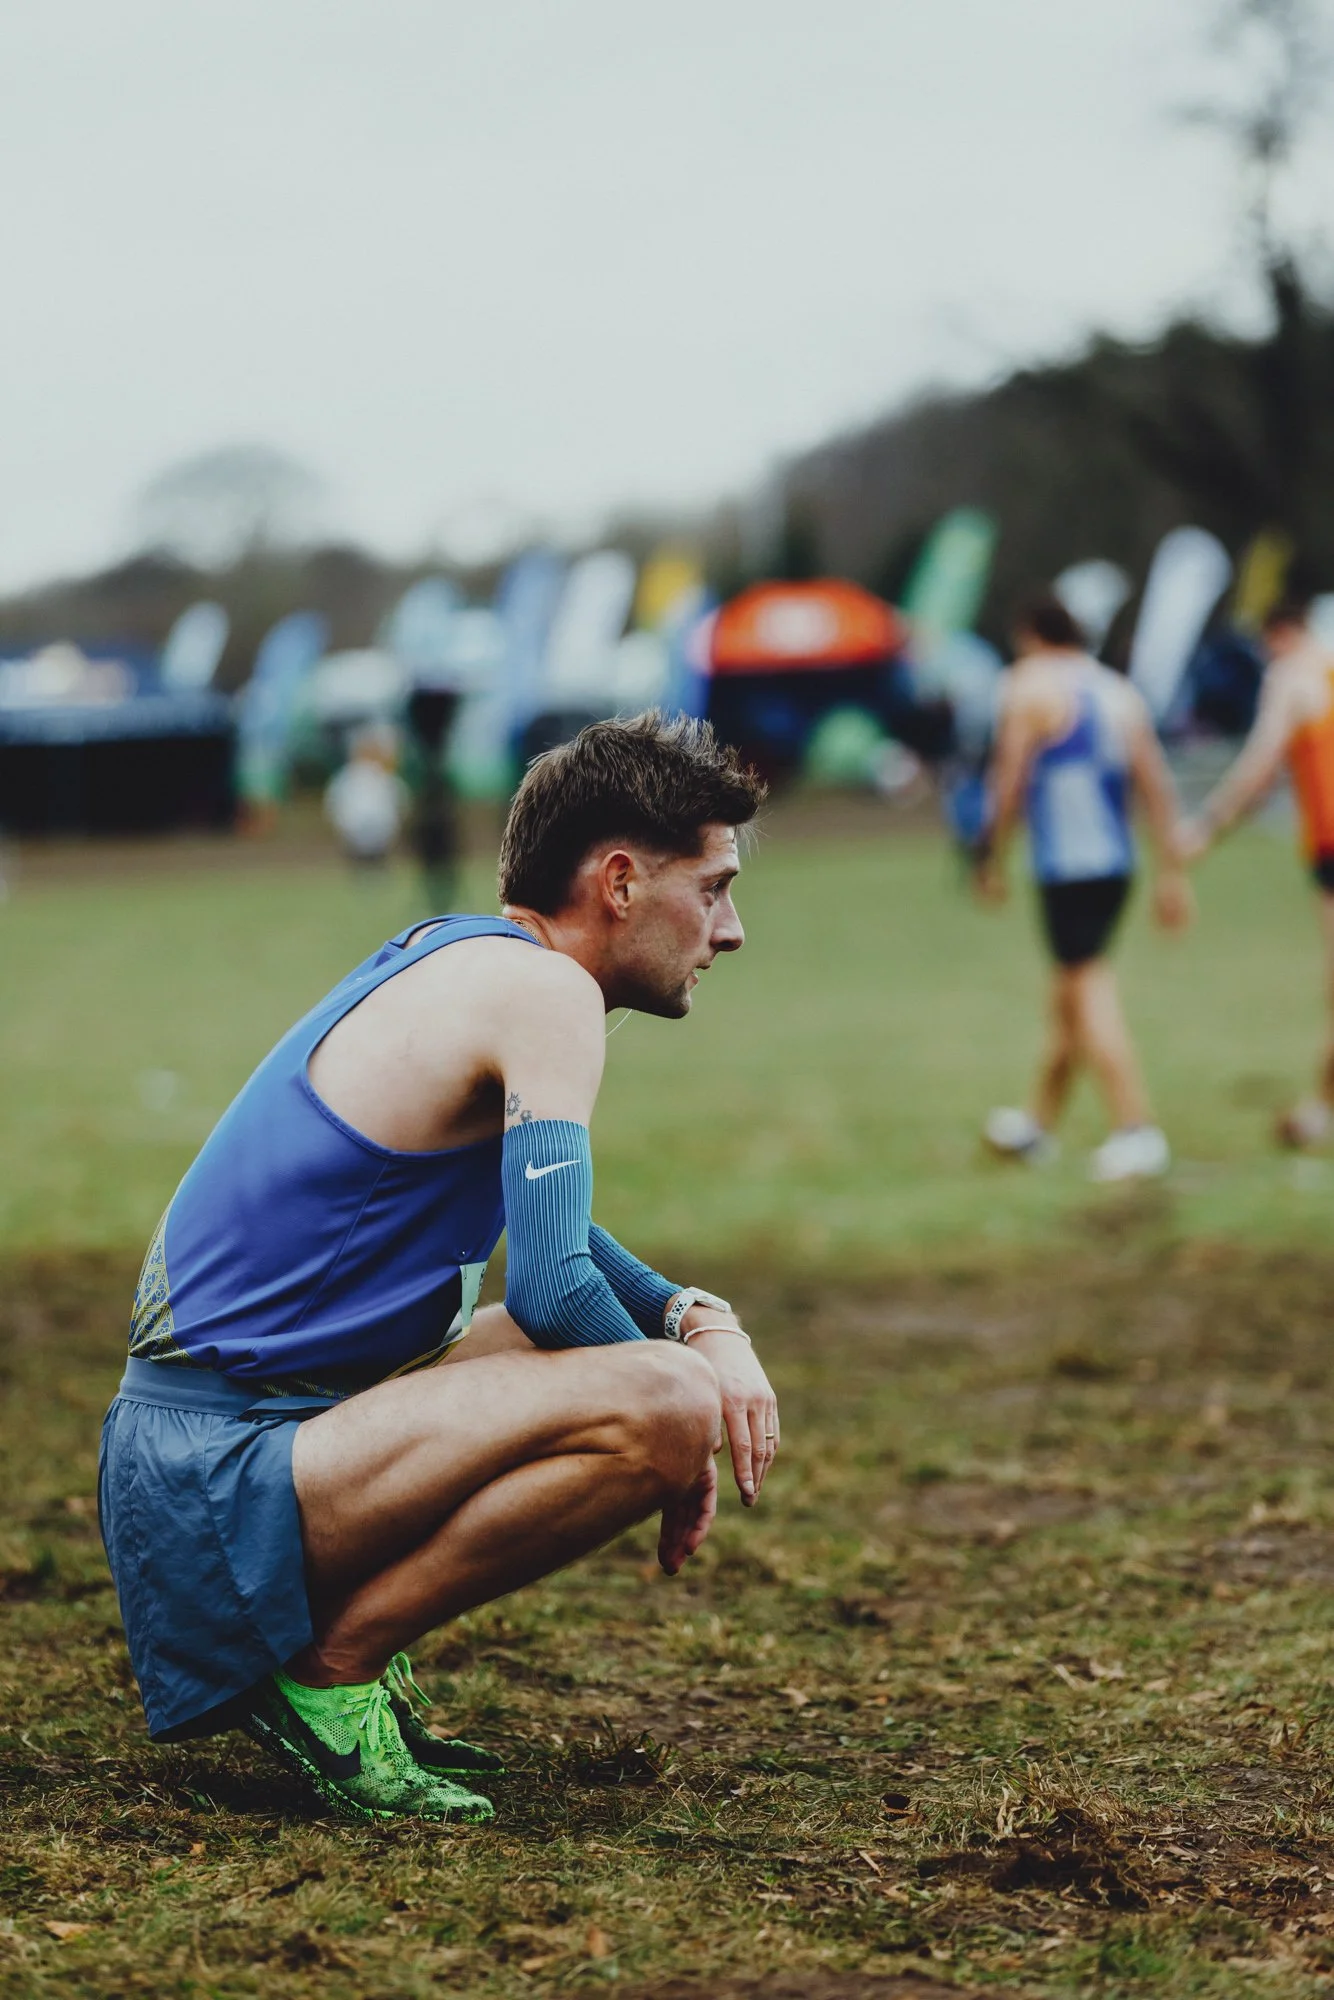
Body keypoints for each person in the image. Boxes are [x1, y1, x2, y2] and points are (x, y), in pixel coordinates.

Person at [100, 714, 776, 1826]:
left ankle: (335, 1656)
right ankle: (331, 1671)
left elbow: (550, 1235)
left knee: (604, 1357)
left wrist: (698, 1314)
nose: (731, 929)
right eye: (711, 888)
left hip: (196, 1460)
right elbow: (557, 1285)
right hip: (218, 1482)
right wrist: (685, 1428)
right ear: (617, 881)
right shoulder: (546, 995)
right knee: (656, 1399)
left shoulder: (464, 953)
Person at [974, 594, 1192, 1181]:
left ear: (1029, 635)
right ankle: (1036, 1127)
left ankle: (1137, 1130)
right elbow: (1156, 784)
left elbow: (1009, 775)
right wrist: (1173, 874)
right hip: (1117, 866)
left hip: (1067, 868)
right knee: (1068, 998)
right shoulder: (1120, 691)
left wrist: (989, 854)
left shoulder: (1029, 684)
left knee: (1088, 991)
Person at [1178, 593, 1334, 1146]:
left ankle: (1319, 1111)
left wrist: (1206, 827)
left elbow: (1258, 768)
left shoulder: (1291, 676)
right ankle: (1319, 1110)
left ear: (1277, 636)